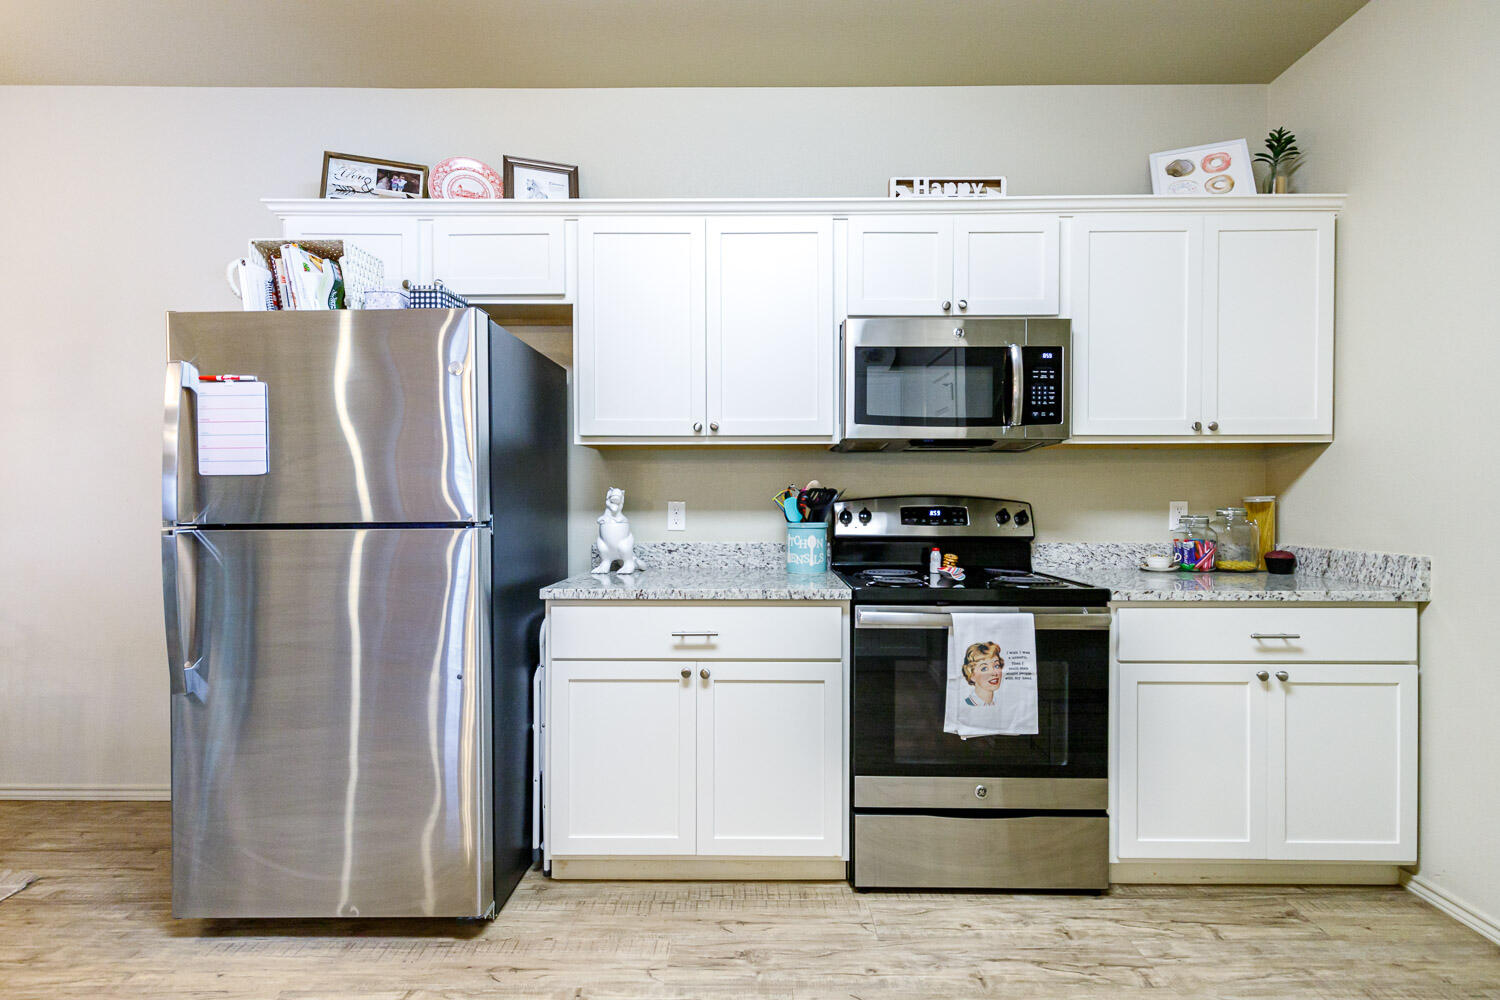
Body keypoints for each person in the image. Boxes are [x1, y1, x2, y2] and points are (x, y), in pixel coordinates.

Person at [961, 642, 1004, 707]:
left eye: (996, 666)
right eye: (984, 668)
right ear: (972, 675)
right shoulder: (967, 704)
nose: (994, 673)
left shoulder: (999, 703)